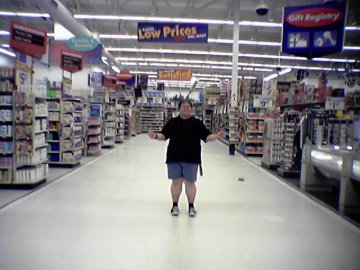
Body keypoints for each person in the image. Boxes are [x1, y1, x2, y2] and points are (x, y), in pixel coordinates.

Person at [148, 99, 226, 217]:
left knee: (190, 183)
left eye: (188, 107)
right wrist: (155, 136)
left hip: (192, 157)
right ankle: (175, 205)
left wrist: (216, 136)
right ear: (179, 109)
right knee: (176, 182)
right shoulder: (173, 122)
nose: (186, 108)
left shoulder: (197, 123)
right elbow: (163, 136)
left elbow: (206, 136)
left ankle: (191, 206)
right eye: (183, 107)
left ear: (191, 109)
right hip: (174, 157)